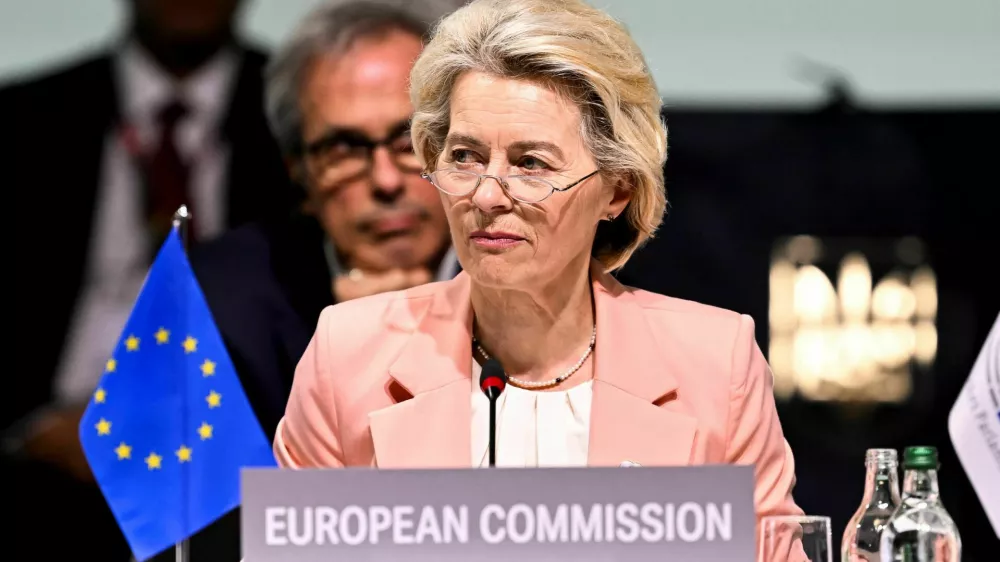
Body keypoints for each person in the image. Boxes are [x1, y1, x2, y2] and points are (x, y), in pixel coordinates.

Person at [274, 0, 805, 555]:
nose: (486, 195)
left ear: (617, 189)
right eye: (465, 156)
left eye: (531, 164)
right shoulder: (348, 355)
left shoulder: (716, 365)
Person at [2, 0, 289, 559]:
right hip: (42, 453)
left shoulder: (298, 112)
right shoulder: (24, 115)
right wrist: (29, 429)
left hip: (237, 457)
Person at [191, 0, 462, 442]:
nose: (386, 181)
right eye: (344, 150)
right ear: (299, 173)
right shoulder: (224, 301)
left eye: (410, 140)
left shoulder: (541, 275)